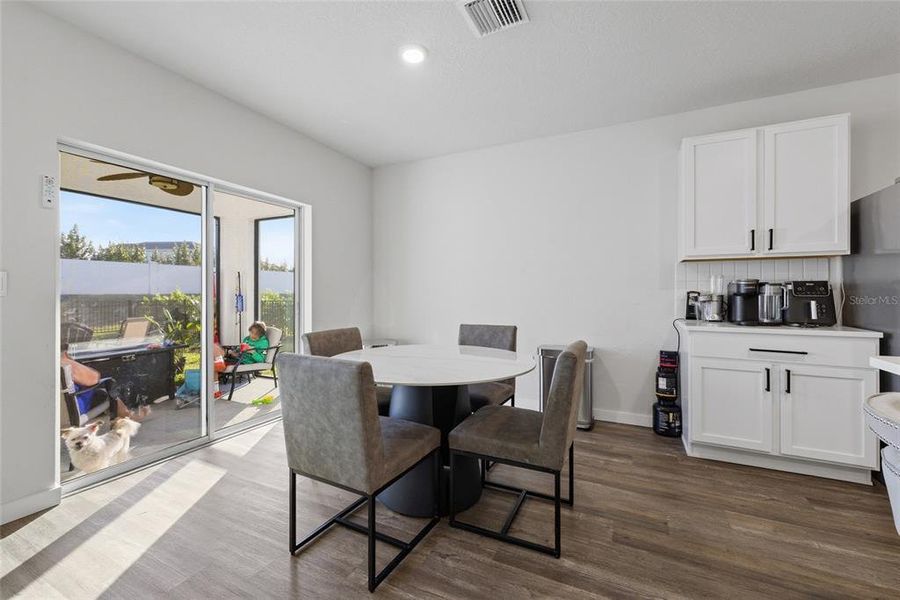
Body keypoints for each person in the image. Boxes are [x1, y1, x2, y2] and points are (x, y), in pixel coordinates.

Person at [61, 344, 150, 421]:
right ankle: (127, 416)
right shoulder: (63, 364)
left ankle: (124, 416)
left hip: (53, 411)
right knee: (106, 385)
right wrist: (69, 360)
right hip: (71, 411)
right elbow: (94, 378)